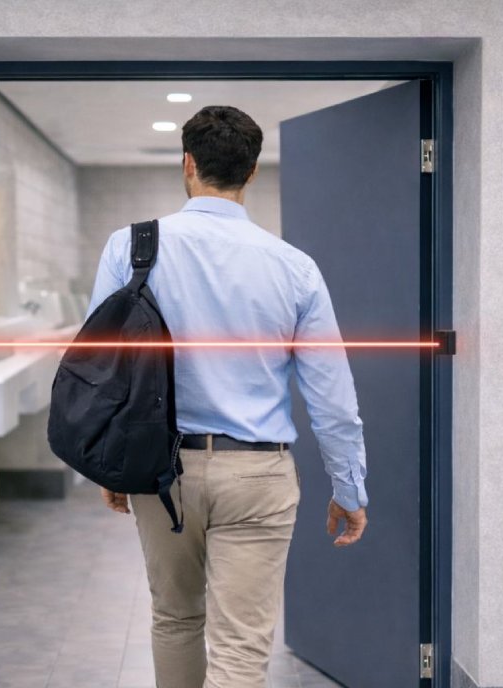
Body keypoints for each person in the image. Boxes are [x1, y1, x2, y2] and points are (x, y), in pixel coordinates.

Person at [87, 106, 369, 688]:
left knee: (174, 618)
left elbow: (103, 369)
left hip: (160, 471)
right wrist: (348, 486)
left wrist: (113, 467)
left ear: (187, 164)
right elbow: (332, 396)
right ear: (253, 172)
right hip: (258, 476)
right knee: (241, 648)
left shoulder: (131, 248)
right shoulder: (294, 267)